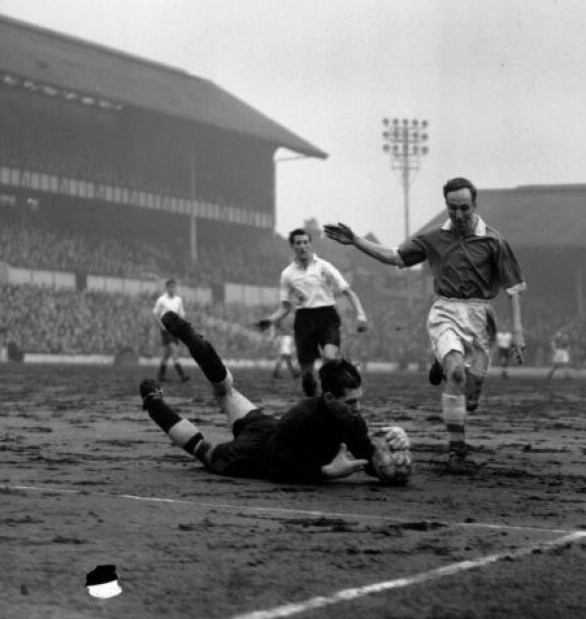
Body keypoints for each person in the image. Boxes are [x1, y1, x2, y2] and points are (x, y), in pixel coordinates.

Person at [324, 176, 527, 474]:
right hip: (445, 310)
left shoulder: (494, 241)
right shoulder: (434, 238)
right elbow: (393, 256)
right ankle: (457, 452)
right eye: (452, 208)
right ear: (446, 205)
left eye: (464, 208)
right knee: (456, 375)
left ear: (475, 205)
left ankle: (449, 370)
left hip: (481, 317)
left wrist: (519, 331)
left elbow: (513, 289)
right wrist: (356, 240)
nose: (458, 215)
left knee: (470, 399)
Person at [139, 312, 408, 483]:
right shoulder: (300, 418)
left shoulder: (353, 421)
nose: (357, 408)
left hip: (267, 428)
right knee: (206, 453)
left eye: (358, 400)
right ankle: (154, 405)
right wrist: (326, 473)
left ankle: (190, 338)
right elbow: (278, 470)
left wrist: (396, 453)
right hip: (254, 455)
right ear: (328, 397)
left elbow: (371, 459)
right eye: (350, 402)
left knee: (226, 391)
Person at [256, 228, 368, 397]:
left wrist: (361, 314)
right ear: (293, 246)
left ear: (310, 244)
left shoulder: (324, 266)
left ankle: (349, 365)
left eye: (305, 242)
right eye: (298, 243)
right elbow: (285, 307)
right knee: (307, 379)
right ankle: (317, 406)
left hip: (327, 316)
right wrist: (271, 319)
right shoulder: (287, 274)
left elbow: (348, 292)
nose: (303, 246)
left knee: (330, 357)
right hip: (304, 320)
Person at [152, 279, 190, 383]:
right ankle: (182, 375)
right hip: (166, 329)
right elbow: (155, 313)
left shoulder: (178, 300)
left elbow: (182, 313)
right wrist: (161, 325)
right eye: (170, 287)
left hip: (175, 329)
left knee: (167, 353)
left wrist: (182, 325)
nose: (172, 289)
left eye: (174, 287)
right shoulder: (162, 299)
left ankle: (161, 376)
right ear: (167, 288)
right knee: (173, 350)